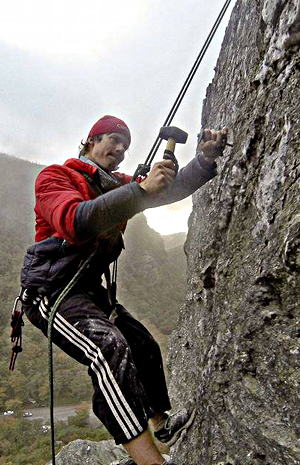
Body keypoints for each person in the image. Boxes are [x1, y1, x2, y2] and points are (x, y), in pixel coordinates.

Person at [21, 115, 228, 465]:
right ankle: (150, 460)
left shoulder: (117, 185)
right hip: (51, 294)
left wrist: (205, 160)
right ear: (91, 141)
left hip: (89, 291)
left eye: (125, 146)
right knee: (108, 348)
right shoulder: (56, 177)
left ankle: (161, 426)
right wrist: (140, 190)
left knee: (143, 344)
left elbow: (168, 191)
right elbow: (74, 220)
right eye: (113, 140)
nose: (119, 150)